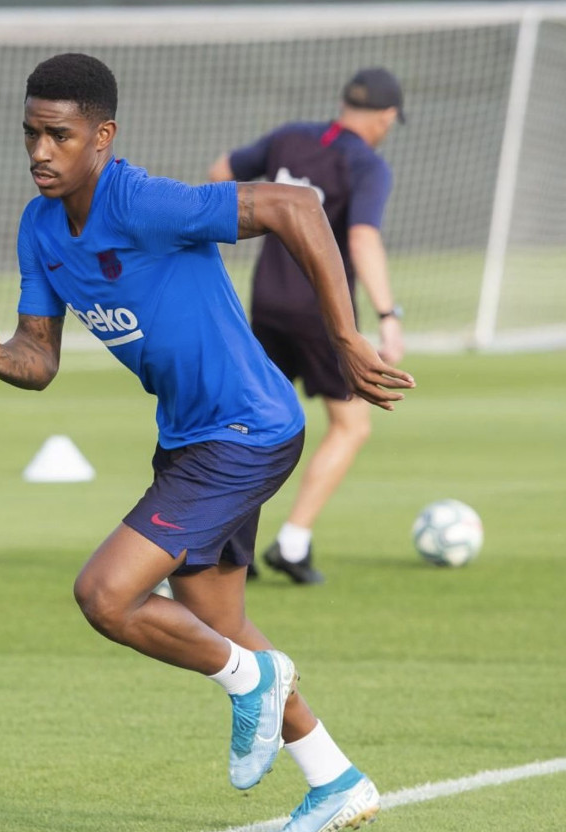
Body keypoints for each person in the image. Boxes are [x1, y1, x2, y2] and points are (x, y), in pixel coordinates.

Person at [0, 53, 415, 832]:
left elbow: (296, 206)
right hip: (189, 442)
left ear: (103, 136)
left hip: (246, 430)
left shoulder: (144, 201)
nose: (39, 151)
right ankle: (335, 778)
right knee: (217, 618)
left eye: (57, 135)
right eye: (29, 133)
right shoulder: (39, 228)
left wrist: (345, 337)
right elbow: (41, 359)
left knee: (105, 595)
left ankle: (252, 680)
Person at [208, 67, 406, 586]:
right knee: (351, 424)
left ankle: (230, 546)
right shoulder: (366, 164)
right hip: (323, 311)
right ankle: (293, 543)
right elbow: (361, 239)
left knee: (254, 421)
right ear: (386, 117)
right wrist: (388, 316)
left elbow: (219, 173)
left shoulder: (288, 137)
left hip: (267, 300)